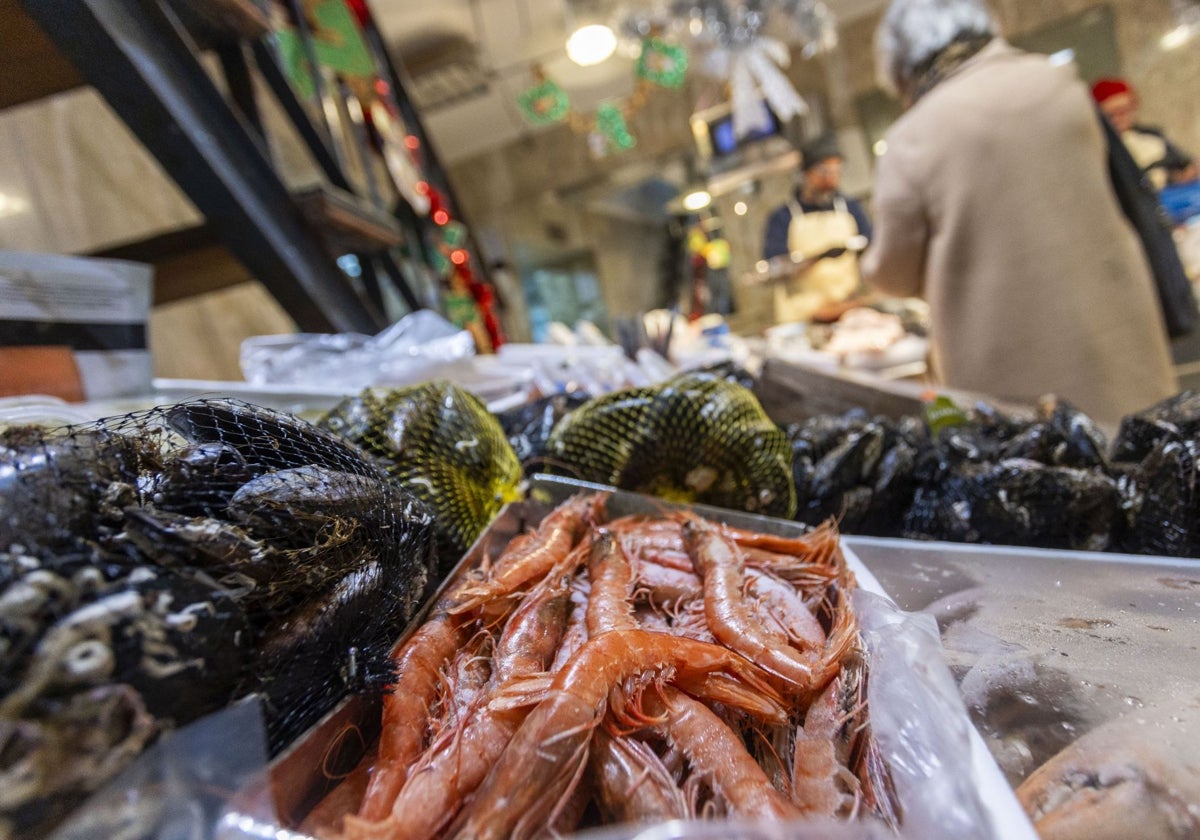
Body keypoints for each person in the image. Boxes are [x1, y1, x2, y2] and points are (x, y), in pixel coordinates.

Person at [861, 0, 1177, 424]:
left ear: (903, 68)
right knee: (1147, 468)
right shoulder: (1059, 83)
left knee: (1046, 480)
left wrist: (869, 265)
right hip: (1118, 351)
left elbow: (894, 274)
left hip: (1015, 381)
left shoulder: (913, 137)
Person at [761, 132, 873, 323]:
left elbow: (872, 248)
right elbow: (774, 267)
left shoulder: (849, 207)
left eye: (836, 171)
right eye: (823, 172)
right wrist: (818, 257)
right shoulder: (783, 217)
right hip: (805, 314)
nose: (831, 179)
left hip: (848, 307)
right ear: (805, 174)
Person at [1092, 77, 1197, 191]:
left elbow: (1182, 163)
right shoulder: (1099, 146)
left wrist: (1182, 174)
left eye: (1125, 110)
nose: (1119, 118)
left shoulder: (1152, 136)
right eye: (1111, 114)